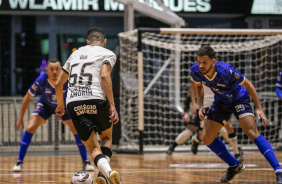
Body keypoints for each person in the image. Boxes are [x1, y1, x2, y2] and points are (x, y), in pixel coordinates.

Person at [189, 45, 282, 183]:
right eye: (199, 61)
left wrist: (259, 108)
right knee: (206, 137)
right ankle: (234, 165)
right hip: (221, 101)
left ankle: (278, 170)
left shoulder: (226, 71)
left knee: (251, 132)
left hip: (239, 97)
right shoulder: (195, 70)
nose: (201, 65)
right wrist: (201, 105)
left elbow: (249, 85)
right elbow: (197, 86)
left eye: (204, 61)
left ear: (213, 61)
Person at [55, 27, 122, 184]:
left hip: (74, 102)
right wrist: (112, 105)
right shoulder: (108, 53)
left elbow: (59, 83)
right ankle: (107, 172)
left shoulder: (75, 53)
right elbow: (105, 76)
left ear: (87, 41)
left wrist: (61, 107)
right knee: (106, 138)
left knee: (92, 148)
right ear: (104, 42)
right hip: (96, 98)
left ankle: (104, 174)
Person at [12, 59, 94, 172]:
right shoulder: (41, 80)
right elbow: (27, 97)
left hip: (64, 106)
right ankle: (19, 162)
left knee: (76, 128)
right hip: (45, 105)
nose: (54, 72)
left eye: (57, 69)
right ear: (47, 70)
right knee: (30, 126)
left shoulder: (68, 79)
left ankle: (85, 162)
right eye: (51, 69)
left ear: (61, 69)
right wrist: (20, 118)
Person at [167, 85, 244, 163]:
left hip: (219, 106)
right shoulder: (199, 79)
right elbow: (189, 96)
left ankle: (236, 151)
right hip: (203, 108)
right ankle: (175, 145)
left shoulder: (221, 78)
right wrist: (187, 111)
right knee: (193, 131)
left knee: (226, 127)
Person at [190, 84, 244, 162]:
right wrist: (194, 103)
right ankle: (196, 138)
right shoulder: (198, 72)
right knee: (204, 135)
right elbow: (193, 86)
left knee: (229, 126)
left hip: (220, 103)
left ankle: (236, 154)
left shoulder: (220, 73)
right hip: (205, 104)